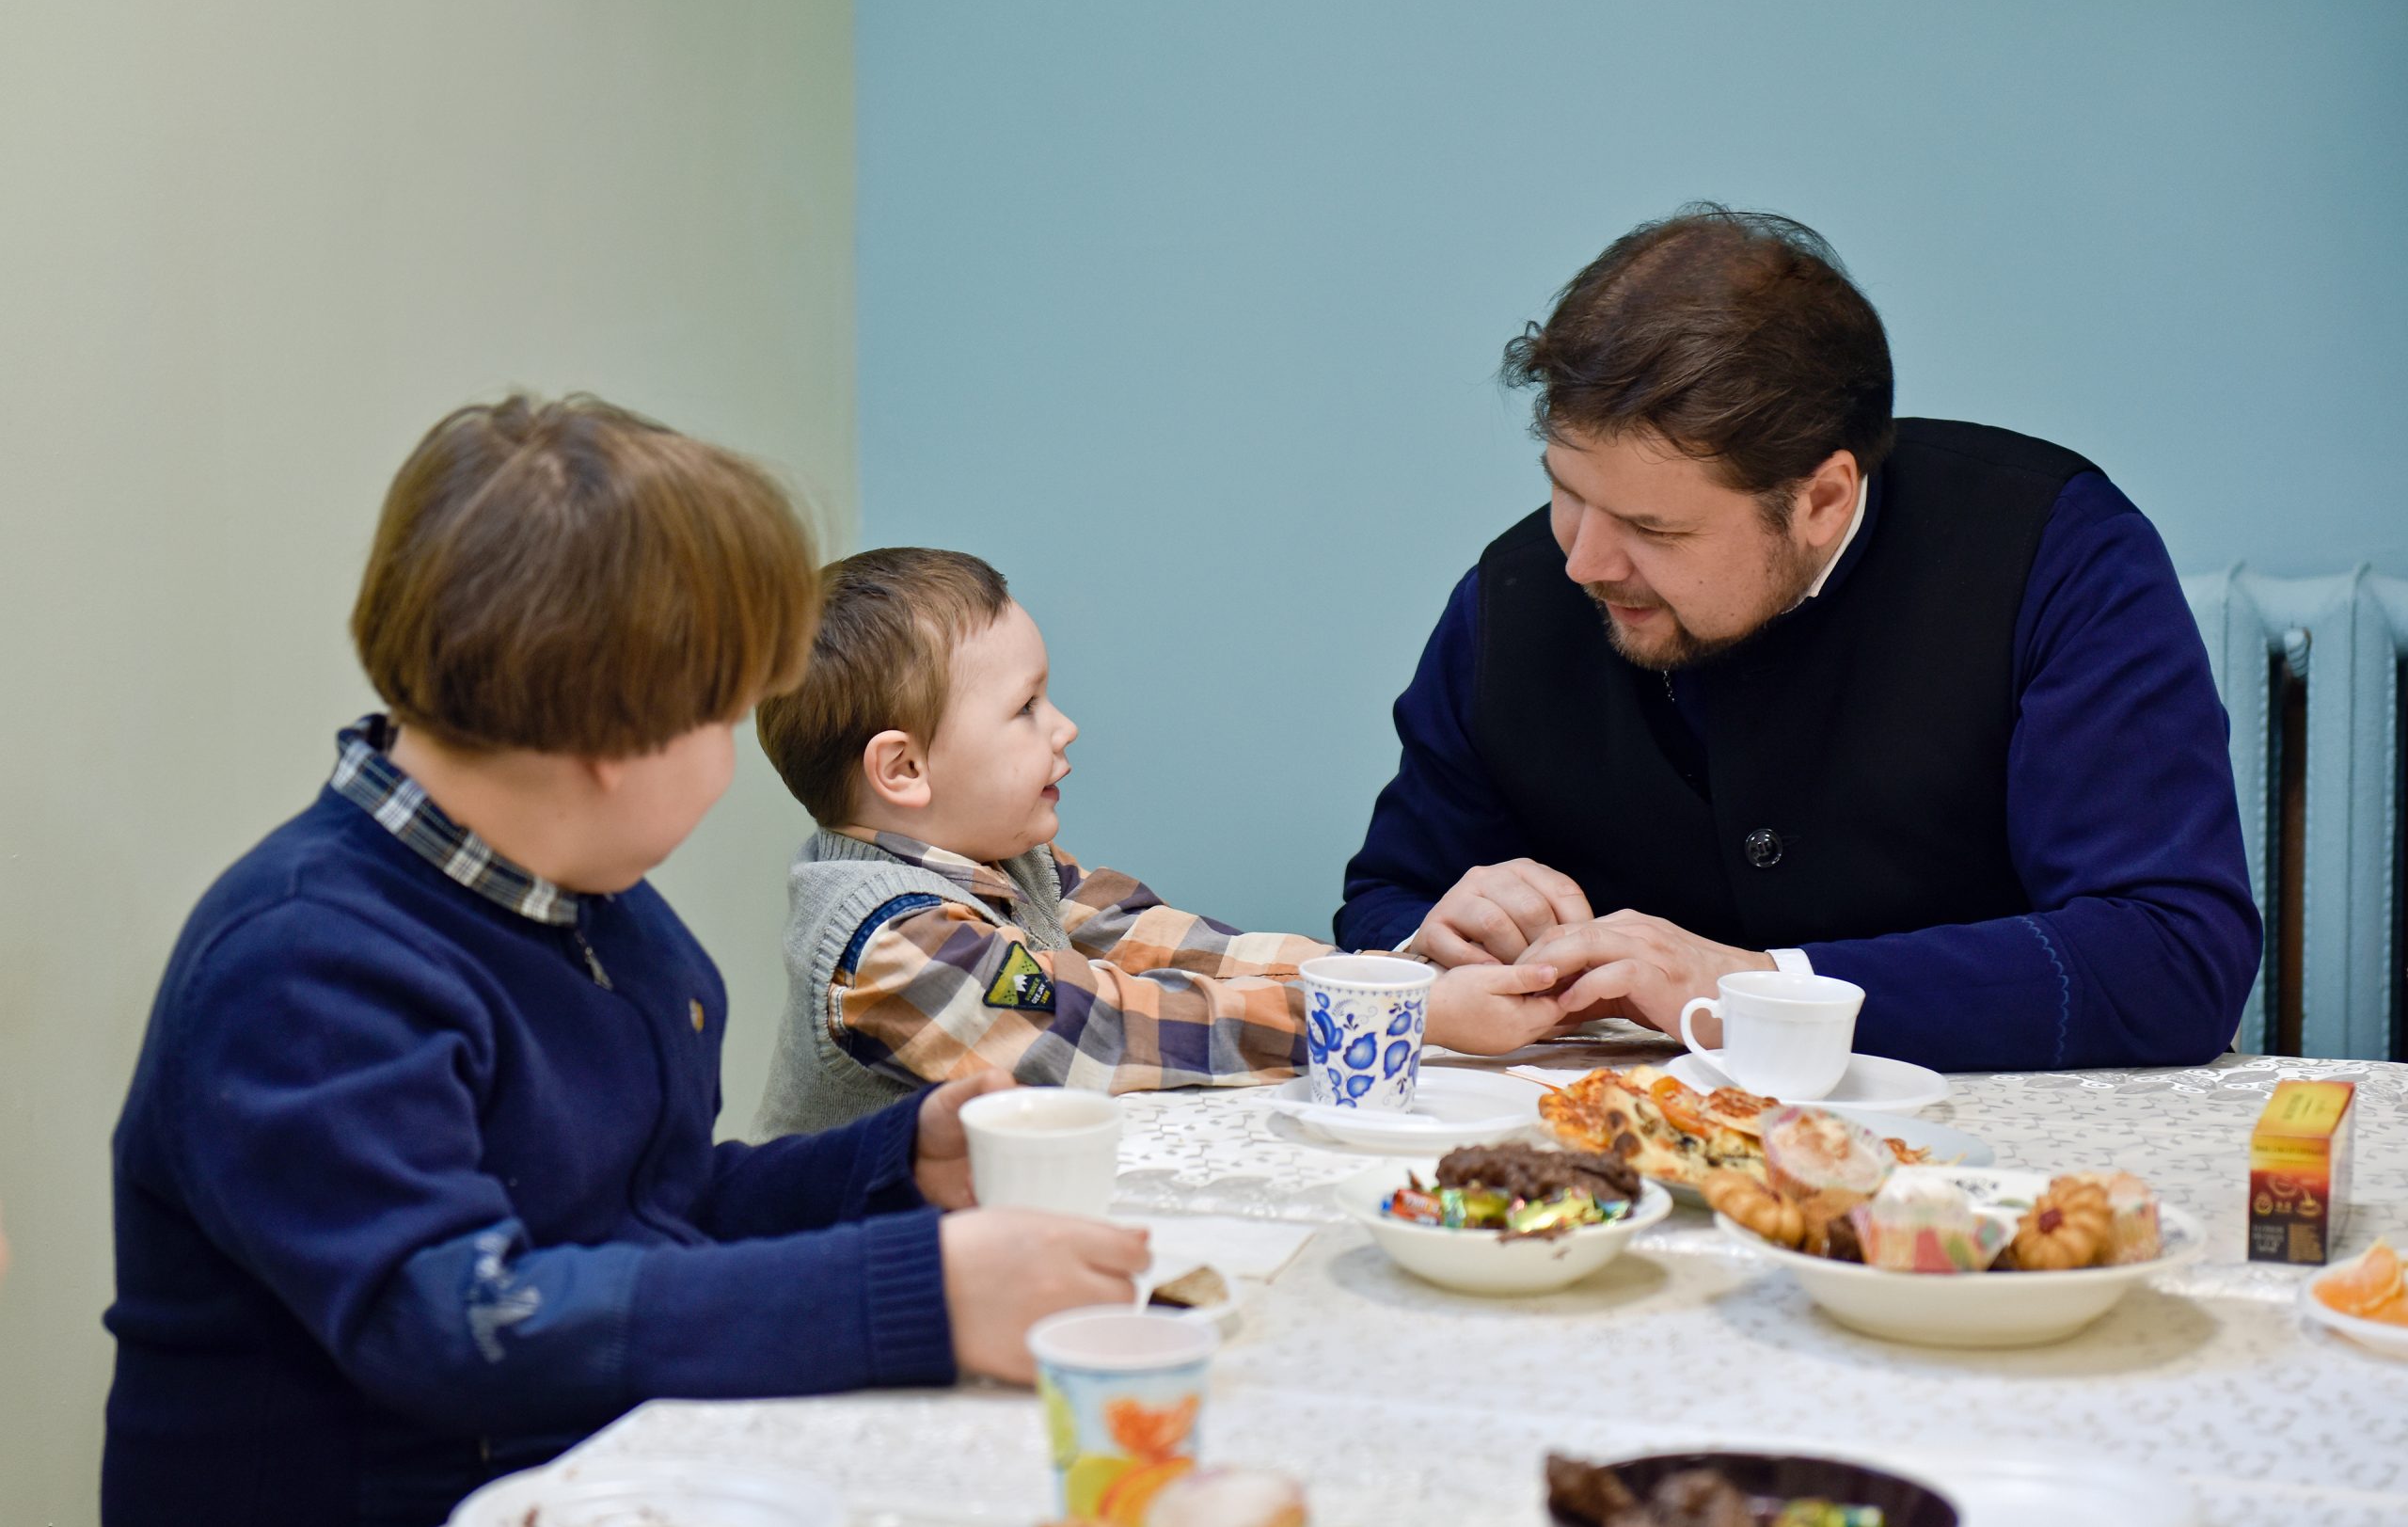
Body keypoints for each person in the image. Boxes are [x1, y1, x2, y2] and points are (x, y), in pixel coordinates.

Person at [103, 398, 1147, 1527]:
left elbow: (647, 1210)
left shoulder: (602, 914)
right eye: (726, 716)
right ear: (612, 740)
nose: (733, 756)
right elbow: (469, 1319)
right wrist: (915, 1291)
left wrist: (893, 1162)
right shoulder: (304, 969)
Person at [1336, 206, 2260, 1073]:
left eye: (1654, 529)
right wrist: (1429, 940)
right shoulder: (1514, 595)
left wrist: (1760, 989)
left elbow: (2172, 953)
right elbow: (1384, 907)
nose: (1582, 561)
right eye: (1566, 491)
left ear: (1822, 498)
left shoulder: (2052, 555)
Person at [752, 548, 1592, 1135]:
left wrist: (1392, 980)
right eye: (1025, 709)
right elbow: (1093, 1037)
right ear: (903, 769)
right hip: (844, 1265)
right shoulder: (892, 942)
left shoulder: (1011, 863)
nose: (1064, 727)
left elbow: (1173, 948)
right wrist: (1390, 1020)